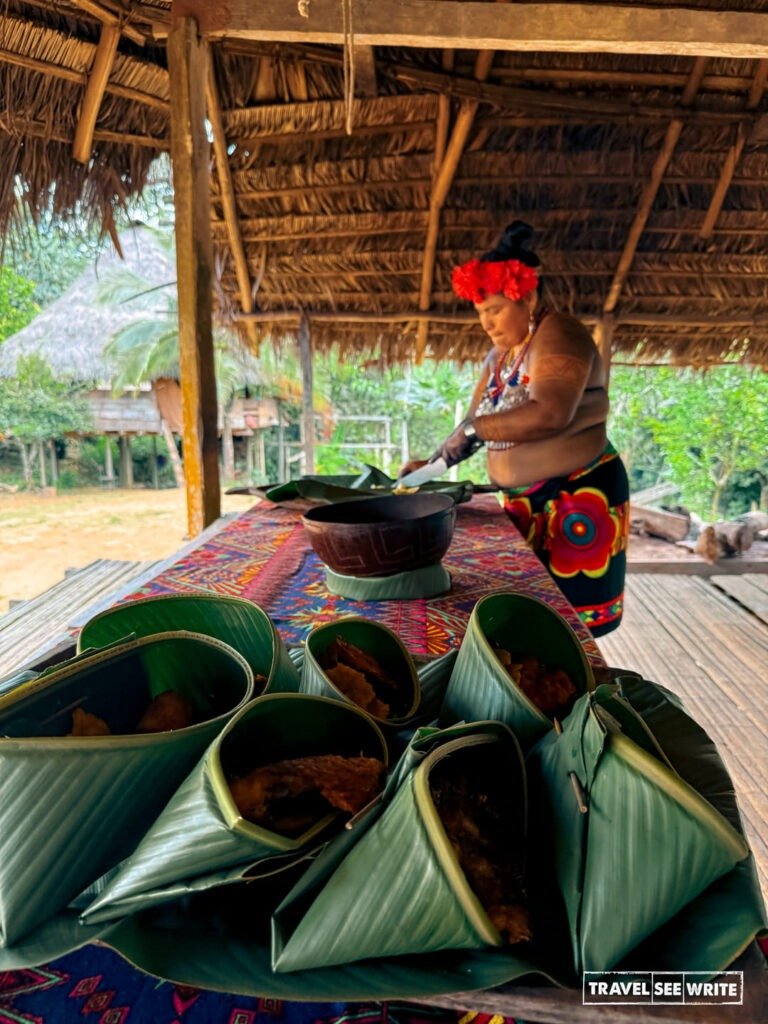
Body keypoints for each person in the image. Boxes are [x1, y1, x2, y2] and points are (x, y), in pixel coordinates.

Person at [401, 221, 630, 637]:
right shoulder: (500, 357)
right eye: (481, 313)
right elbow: (473, 425)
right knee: (529, 626)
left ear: (527, 297)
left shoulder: (558, 332)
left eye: (495, 310)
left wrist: (471, 432)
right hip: (524, 503)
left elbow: (550, 412)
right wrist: (432, 464)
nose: (486, 323)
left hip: (575, 499)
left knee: (568, 633)